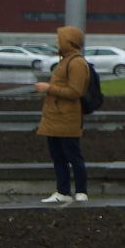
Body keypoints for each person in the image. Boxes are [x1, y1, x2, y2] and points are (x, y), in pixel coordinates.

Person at [34, 26, 90, 204]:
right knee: (58, 157)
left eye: (60, 39)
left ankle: (81, 191)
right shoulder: (65, 60)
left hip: (67, 118)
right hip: (56, 118)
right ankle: (63, 191)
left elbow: (75, 91)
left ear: (69, 41)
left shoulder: (77, 63)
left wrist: (49, 88)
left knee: (73, 156)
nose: (57, 42)